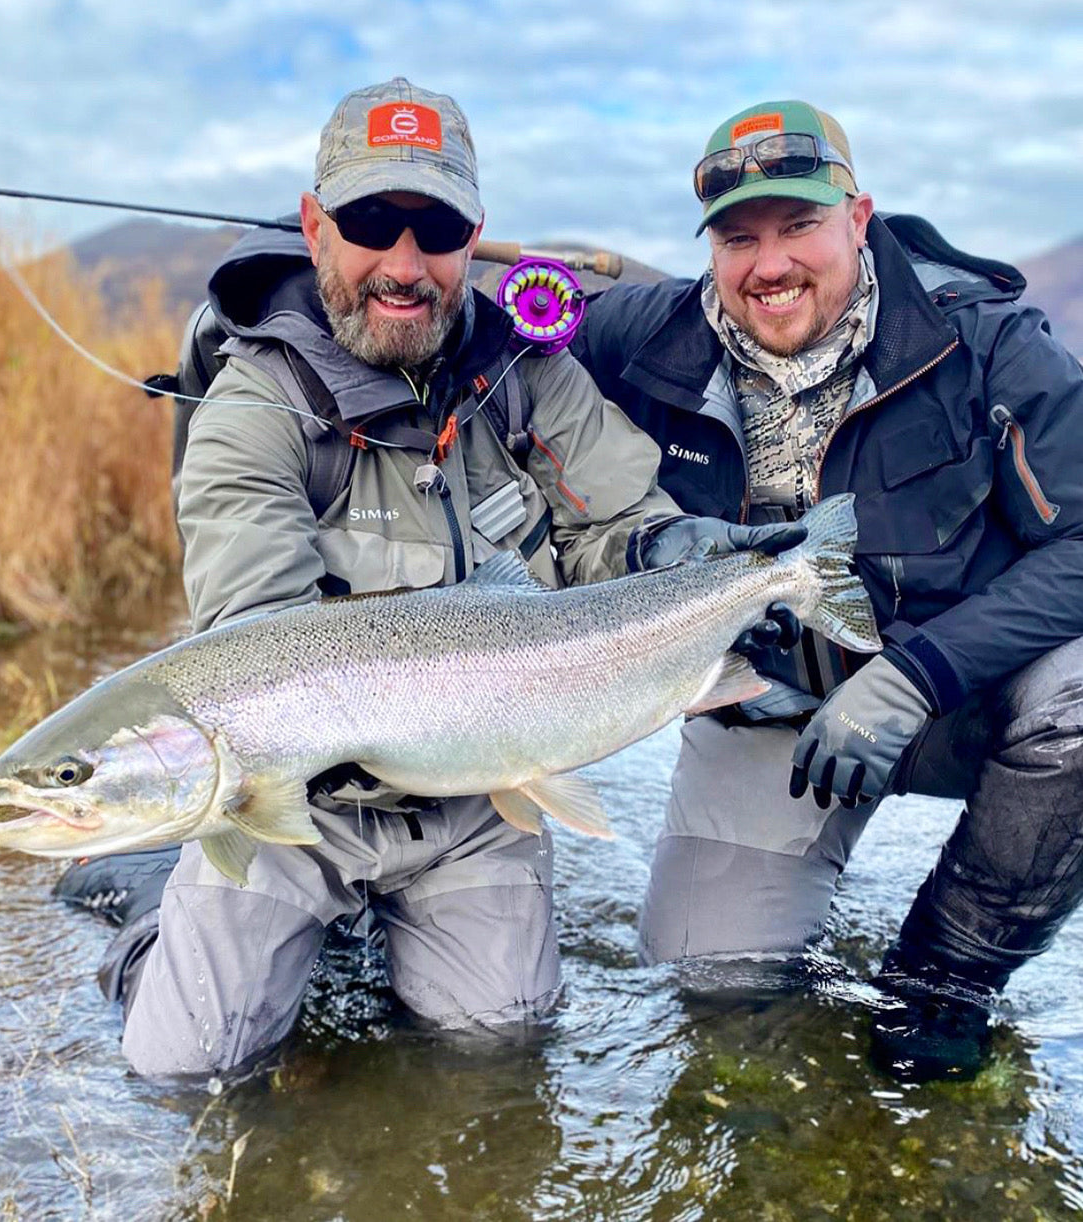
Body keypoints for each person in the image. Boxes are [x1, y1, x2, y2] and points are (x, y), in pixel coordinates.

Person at [54, 79, 798, 1080]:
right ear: (316, 226)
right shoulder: (251, 412)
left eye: (435, 228)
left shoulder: (527, 375)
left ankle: (366, 942)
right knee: (187, 1068)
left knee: (497, 1049)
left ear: (471, 236)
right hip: (294, 809)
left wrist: (665, 561)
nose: (403, 266)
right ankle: (154, 913)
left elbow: (621, 520)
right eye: (370, 223)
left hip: (473, 800)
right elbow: (265, 651)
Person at [572, 99, 1083, 1082]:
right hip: (768, 715)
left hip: (958, 695)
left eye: (798, 225)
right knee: (710, 989)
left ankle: (941, 986)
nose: (769, 265)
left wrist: (912, 677)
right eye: (737, 236)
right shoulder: (646, 336)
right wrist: (265, 304)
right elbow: (463, 334)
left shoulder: (982, 339)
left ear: (858, 216)